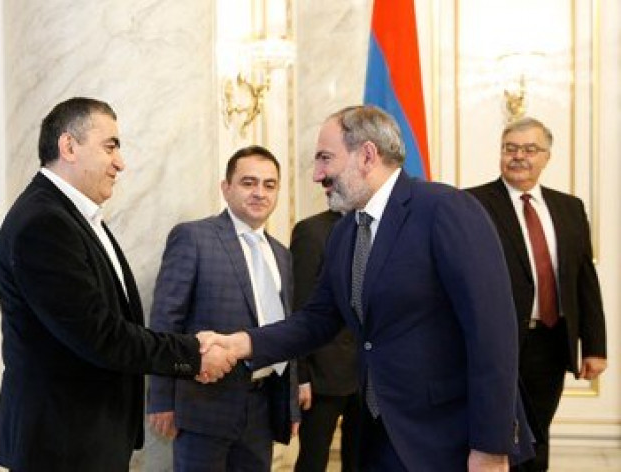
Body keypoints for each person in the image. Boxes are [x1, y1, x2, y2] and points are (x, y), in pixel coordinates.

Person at [201, 105, 535, 471]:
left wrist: (491, 445)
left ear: (367, 156)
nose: (317, 174)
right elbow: (317, 320)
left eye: (325, 158)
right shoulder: (345, 232)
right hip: (377, 435)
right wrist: (241, 344)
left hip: (448, 438)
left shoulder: (445, 209)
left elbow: (493, 334)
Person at [0, 97, 235, 472]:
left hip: (84, 440)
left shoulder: (71, 216)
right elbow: (100, 335)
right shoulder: (43, 223)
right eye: (110, 147)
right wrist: (193, 354)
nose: (120, 163)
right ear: (69, 146)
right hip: (60, 447)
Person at [147, 145, 299, 472]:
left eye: (269, 185)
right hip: (203, 408)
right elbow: (165, 323)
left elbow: (286, 331)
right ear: (226, 188)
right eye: (248, 182)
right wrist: (160, 399)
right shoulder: (193, 237)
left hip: (261, 411)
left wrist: (290, 406)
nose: (260, 193)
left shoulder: (282, 255)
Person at [467, 117, 607, 471]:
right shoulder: (472, 203)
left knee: (537, 435)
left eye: (530, 149)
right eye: (510, 148)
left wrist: (594, 345)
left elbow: (584, 280)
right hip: (495, 343)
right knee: (494, 435)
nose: (519, 157)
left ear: (547, 157)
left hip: (551, 341)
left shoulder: (569, 207)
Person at [290, 209, 360, 472]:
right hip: (322, 375)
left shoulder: (381, 226)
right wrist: (301, 375)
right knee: (313, 461)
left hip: (369, 375)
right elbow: (300, 307)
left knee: (362, 461)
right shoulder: (311, 231)